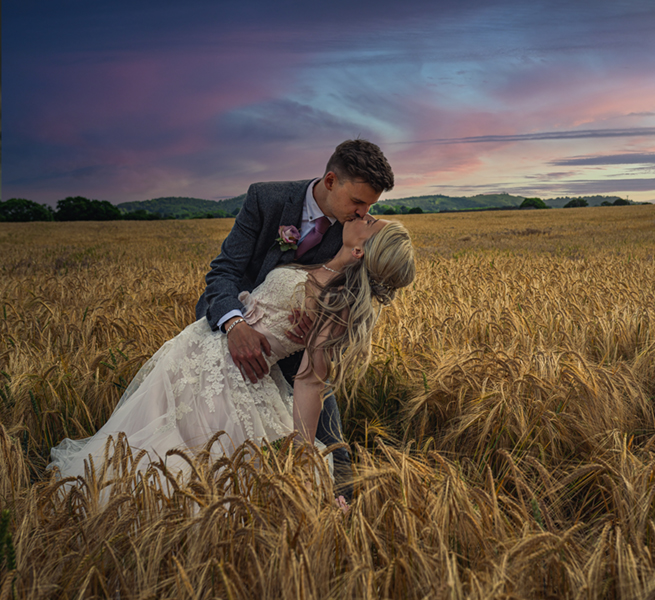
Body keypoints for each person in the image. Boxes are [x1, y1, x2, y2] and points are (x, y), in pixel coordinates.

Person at [48, 218, 416, 488]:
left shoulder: (335, 309)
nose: (363, 215)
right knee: (144, 442)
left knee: (181, 466)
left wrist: (303, 452)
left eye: (369, 222)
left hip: (228, 380)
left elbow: (308, 382)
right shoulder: (323, 266)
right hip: (196, 353)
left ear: (360, 250)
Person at [195, 139, 394, 500]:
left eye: (371, 205)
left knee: (330, 442)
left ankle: (341, 511)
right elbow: (225, 271)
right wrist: (235, 325)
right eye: (358, 202)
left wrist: (314, 328)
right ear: (331, 180)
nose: (365, 213)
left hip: (297, 345)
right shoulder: (265, 199)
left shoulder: (356, 234)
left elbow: (348, 299)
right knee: (211, 435)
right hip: (232, 330)